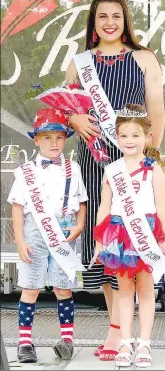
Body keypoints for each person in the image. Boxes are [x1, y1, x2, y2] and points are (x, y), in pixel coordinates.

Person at [65, 0, 165, 360]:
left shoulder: (143, 58)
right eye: (102, 16)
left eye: (116, 16)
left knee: (134, 241)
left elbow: (156, 112)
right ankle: (117, 329)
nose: (109, 22)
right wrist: (72, 118)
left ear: (125, 22)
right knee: (105, 239)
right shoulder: (80, 62)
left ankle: (135, 333)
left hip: (135, 162)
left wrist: (149, 158)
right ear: (93, 23)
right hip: (94, 162)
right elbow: (67, 111)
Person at [91, 113, 165, 368]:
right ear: (116, 138)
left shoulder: (153, 168)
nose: (129, 140)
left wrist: (164, 237)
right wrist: (99, 241)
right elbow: (104, 208)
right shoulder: (111, 170)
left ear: (147, 137)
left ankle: (145, 344)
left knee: (146, 292)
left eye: (135, 135)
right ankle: (125, 342)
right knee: (124, 293)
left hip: (146, 233)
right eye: (123, 135)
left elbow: (162, 206)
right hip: (119, 235)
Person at [7, 108, 88, 363]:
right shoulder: (25, 172)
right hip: (34, 230)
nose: (54, 143)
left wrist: (80, 225)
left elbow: (82, 202)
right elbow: (17, 208)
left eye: (59, 137)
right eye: (47, 138)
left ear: (65, 139)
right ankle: (25, 343)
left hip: (64, 230)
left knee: (63, 288)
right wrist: (20, 240)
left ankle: (66, 341)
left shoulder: (73, 168)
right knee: (30, 288)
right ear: (36, 140)